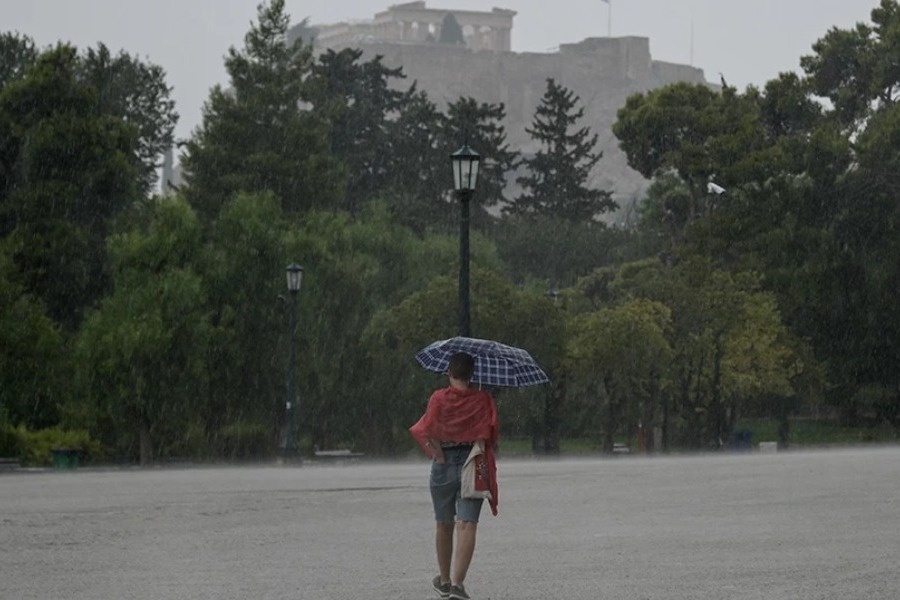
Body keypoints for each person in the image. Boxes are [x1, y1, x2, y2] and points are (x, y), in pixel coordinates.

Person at [410, 351, 499, 600]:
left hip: (444, 464)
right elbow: (488, 435)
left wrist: (438, 454)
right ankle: (459, 585)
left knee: (444, 523)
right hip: (472, 463)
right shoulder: (483, 400)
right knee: (468, 524)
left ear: (449, 372)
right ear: (472, 374)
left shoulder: (438, 399)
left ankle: (445, 580)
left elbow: (427, 430)